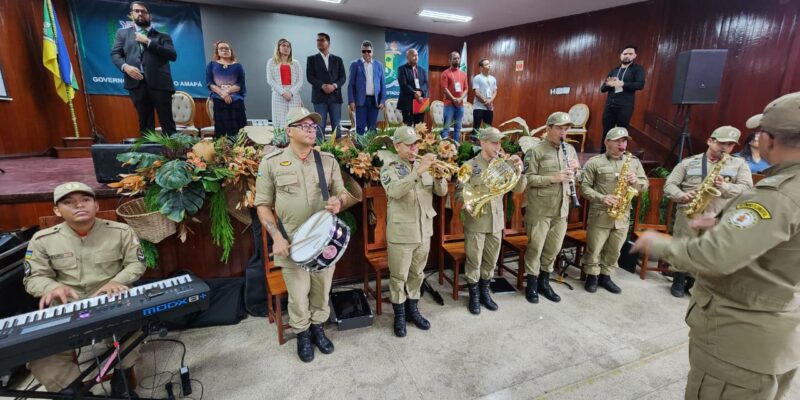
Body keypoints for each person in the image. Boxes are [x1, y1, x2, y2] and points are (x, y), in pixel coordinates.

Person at [632, 91, 800, 400]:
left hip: (739, 342)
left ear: (770, 140)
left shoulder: (777, 194)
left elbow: (714, 257)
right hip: (775, 337)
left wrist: (658, 243)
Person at [23, 182, 145, 396]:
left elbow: (137, 263)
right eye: (68, 202)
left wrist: (119, 280)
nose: (79, 205)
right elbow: (34, 277)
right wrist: (52, 287)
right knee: (42, 359)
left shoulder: (121, 231)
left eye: (85, 200)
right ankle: (76, 391)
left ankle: (122, 377)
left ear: (96, 206)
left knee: (134, 331)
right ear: (56, 210)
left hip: (112, 300)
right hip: (65, 308)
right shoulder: (41, 240)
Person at [254, 107, 348, 363]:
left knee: (321, 290)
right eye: (304, 126)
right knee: (298, 294)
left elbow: (343, 192)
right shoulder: (271, 163)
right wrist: (276, 236)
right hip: (291, 243)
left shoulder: (327, 160)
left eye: (313, 126)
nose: (310, 130)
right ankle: (303, 333)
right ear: (289, 131)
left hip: (324, 242)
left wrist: (339, 201)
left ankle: (318, 327)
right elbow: (262, 204)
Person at [663, 125, 752, 297]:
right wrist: (682, 195)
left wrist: (724, 186)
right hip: (689, 212)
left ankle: (694, 281)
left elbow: (747, 189)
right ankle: (679, 279)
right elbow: (669, 185)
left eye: (731, 145)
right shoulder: (688, 162)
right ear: (710, 141)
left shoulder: (739, 165)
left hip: (717, 214)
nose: (726, 148)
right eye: (722, 143)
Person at [380, 126, 448, 337]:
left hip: (424, 230)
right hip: (401, 232)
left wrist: (438, 176)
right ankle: (399, 314)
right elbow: (395, 191)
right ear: (397, 146)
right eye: (409, 145)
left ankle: (413, 309)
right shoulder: (388, 168)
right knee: (399, 275)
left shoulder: (424, 165)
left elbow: (442, 192)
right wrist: (418, 172)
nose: (414, 148)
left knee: (417, 273)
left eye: (416, 144)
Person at [457, 127, 526, 314]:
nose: (498, 146)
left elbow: (518, 189)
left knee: (491, 260)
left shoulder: (502, 165)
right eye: (494, 142)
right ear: (483, 143)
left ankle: (485, 291)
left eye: (499, 142)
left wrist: (519, 169)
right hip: (477, 222)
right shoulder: (469, 165)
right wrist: (468, 201)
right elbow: (458, 192)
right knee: (474, 260)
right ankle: (474, 296)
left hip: (496, 221)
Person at [579, 127, 648, 293]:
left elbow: (644, 185)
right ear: (607, 142)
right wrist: (601, 197)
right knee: (595, 247)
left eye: (624, 141)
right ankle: (592, 276)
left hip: (622, 215)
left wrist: (636, 182)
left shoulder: (634, 162)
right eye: (618, 141)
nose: (622, 144)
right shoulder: (595, 162)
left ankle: (606, 276)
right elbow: (584, 188)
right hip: (600, 213)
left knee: (615, 248)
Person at [523, 112, 581, 304]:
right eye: (559, 128)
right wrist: (553, 178)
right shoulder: (535, 151)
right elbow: (529, 179)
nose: (563, 132)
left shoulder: (570, 150)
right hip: (540, 210)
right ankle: (531, 284)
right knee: (535, 248)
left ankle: (544, 282)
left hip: (562, 209)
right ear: (548, 129)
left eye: (566, 129)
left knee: (553, 249)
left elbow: (577, 178)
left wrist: (577, 170)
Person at [111, 1, 177, 135]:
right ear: (132, 15)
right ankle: (149, 155)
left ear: (149, 16)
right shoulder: (122, 34)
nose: (140, 13)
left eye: (143, 11)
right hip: (137, 84)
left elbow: (172, 55)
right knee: (145, 124)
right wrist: (126, 67)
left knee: (167, 123)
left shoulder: (163, 36)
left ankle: (174, 155)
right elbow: (115, 54)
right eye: (137, 11)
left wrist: (148, 42)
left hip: (160, 84)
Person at [599, 45, 645, 152]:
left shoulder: (637, 69)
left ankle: (620, 154)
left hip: (625, 106)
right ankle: (602, 154)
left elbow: (640, 85)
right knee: (607, 130)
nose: (627, 56)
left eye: (630, 54)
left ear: (634, 56)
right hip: (610, 104)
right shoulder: (614, 70)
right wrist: (609, 84)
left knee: (622, 131)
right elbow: (602, 89)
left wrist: (622, 83)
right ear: (621, 56)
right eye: (625, 54)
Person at [306, 33, 346, 140]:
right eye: (318, 40)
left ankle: (338, 151)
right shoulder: (311, 59)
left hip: (335, 97)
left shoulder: (338, 60)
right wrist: (322, 85)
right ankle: (320, 151)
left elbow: (343, 78)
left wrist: (334, 86)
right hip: (319, 97)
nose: (319, 42)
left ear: (328, 43)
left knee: (336, 124)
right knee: (320, 125)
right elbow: (310, 77)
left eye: (322, 40)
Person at [206, 40, 246, 138]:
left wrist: (227, 92)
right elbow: (210, 83)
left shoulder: (238, 66)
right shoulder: (211, 65)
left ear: (231, 51)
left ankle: (239, 151)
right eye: (221, 48)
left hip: (236, 101)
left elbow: (240, 84)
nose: (224, 50)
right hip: (219, 100)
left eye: (227, 48)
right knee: (222, 130)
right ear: (217, 51)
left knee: (238, 130)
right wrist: (222, 94)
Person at [348, 40, 386, 134]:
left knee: (372, 128)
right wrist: (351, 101)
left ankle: (371, 148)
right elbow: (350, 85)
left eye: (368, 51)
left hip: (374, 101)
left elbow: (383, 85)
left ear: (372, 52)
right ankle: (360, 148)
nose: (366, 53)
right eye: (364, 51)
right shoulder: (355, 64)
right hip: (361, 101)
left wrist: (382, 101)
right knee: (360, 127)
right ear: (361, 52)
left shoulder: (379, 65)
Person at [266, 38, 303, 129]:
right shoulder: (271, 62)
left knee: (294, 120)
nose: (286, 48)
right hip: (278, 95)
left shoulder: (296, 63)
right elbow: (270, 80)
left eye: (288, 46)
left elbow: (300, 81)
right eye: (283, 45)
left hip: (293, 95)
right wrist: (283, 92)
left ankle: (294, 142)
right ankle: (280, 143)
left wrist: (290, 93)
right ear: (278, 48)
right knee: (280, 121)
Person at [440, 51, 468, 142]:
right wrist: (453, 98)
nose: (457, 60)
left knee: (458, 128)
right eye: (455, 58)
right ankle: (444, 148)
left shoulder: (463, 74)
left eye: (458, 58)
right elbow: (444, 88)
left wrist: (460, 99)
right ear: (450, 60)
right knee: (446, 128)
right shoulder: (445, 73)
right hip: (449, 105)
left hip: (460, 105)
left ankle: (456, 147)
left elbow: (466, 89)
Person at [397, 49, 428, 126]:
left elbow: (426, 83)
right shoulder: (402, 69)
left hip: (420, 102)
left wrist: (420, 92)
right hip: (407, 103)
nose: (416, 57)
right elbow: (403, 84)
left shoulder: (422, 70)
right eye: (413, 55)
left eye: (417, 55)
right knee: (408, 129)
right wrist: (414, 93)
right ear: (408, 57)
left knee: (420, 128)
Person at [472, 58, 497, 129]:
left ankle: (485, 141)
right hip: (479, 107)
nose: (489, 66)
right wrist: (486, 102)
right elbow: (477, 92)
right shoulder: (477, 78)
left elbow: (495, 91)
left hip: (489, 108)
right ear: (481, 67)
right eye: (486, 64)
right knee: (476, 128)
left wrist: (490, 101)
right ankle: (474, 140)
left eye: (489, 64)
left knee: (488, 128)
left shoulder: (493, 78)